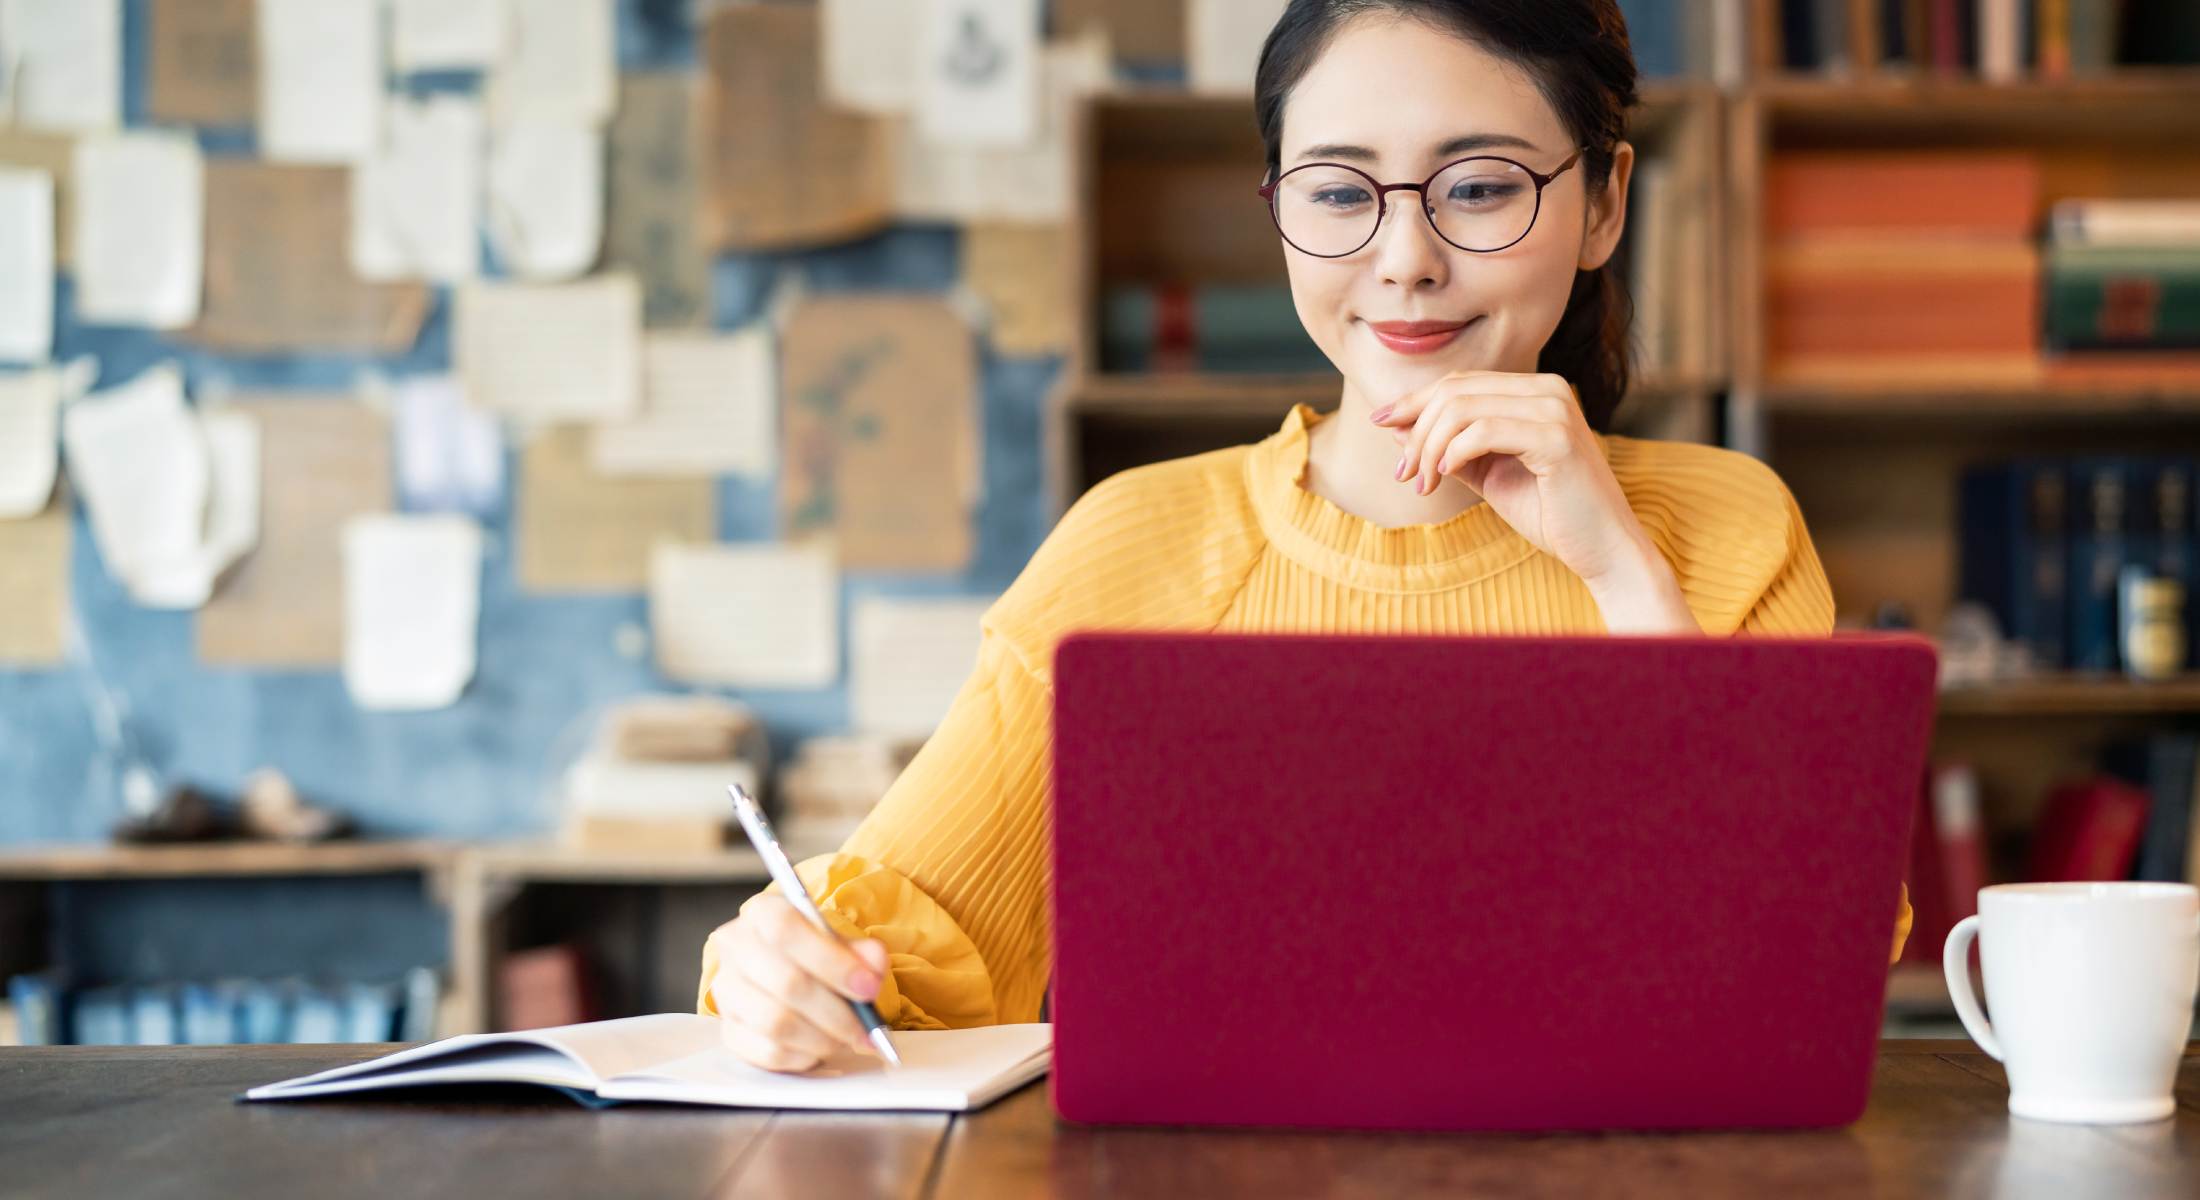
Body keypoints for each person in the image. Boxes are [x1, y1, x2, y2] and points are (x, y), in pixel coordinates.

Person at [700, 0, 1913, 1073]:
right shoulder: (1135, 541)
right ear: (1281, 212)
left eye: (1480, 186)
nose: (1405, 262)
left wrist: (1619, 573)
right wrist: (784, 978)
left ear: (1603, 203)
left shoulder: (1726, 526)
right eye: (1339, 192)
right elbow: (900, 957)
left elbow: (1806, 960)